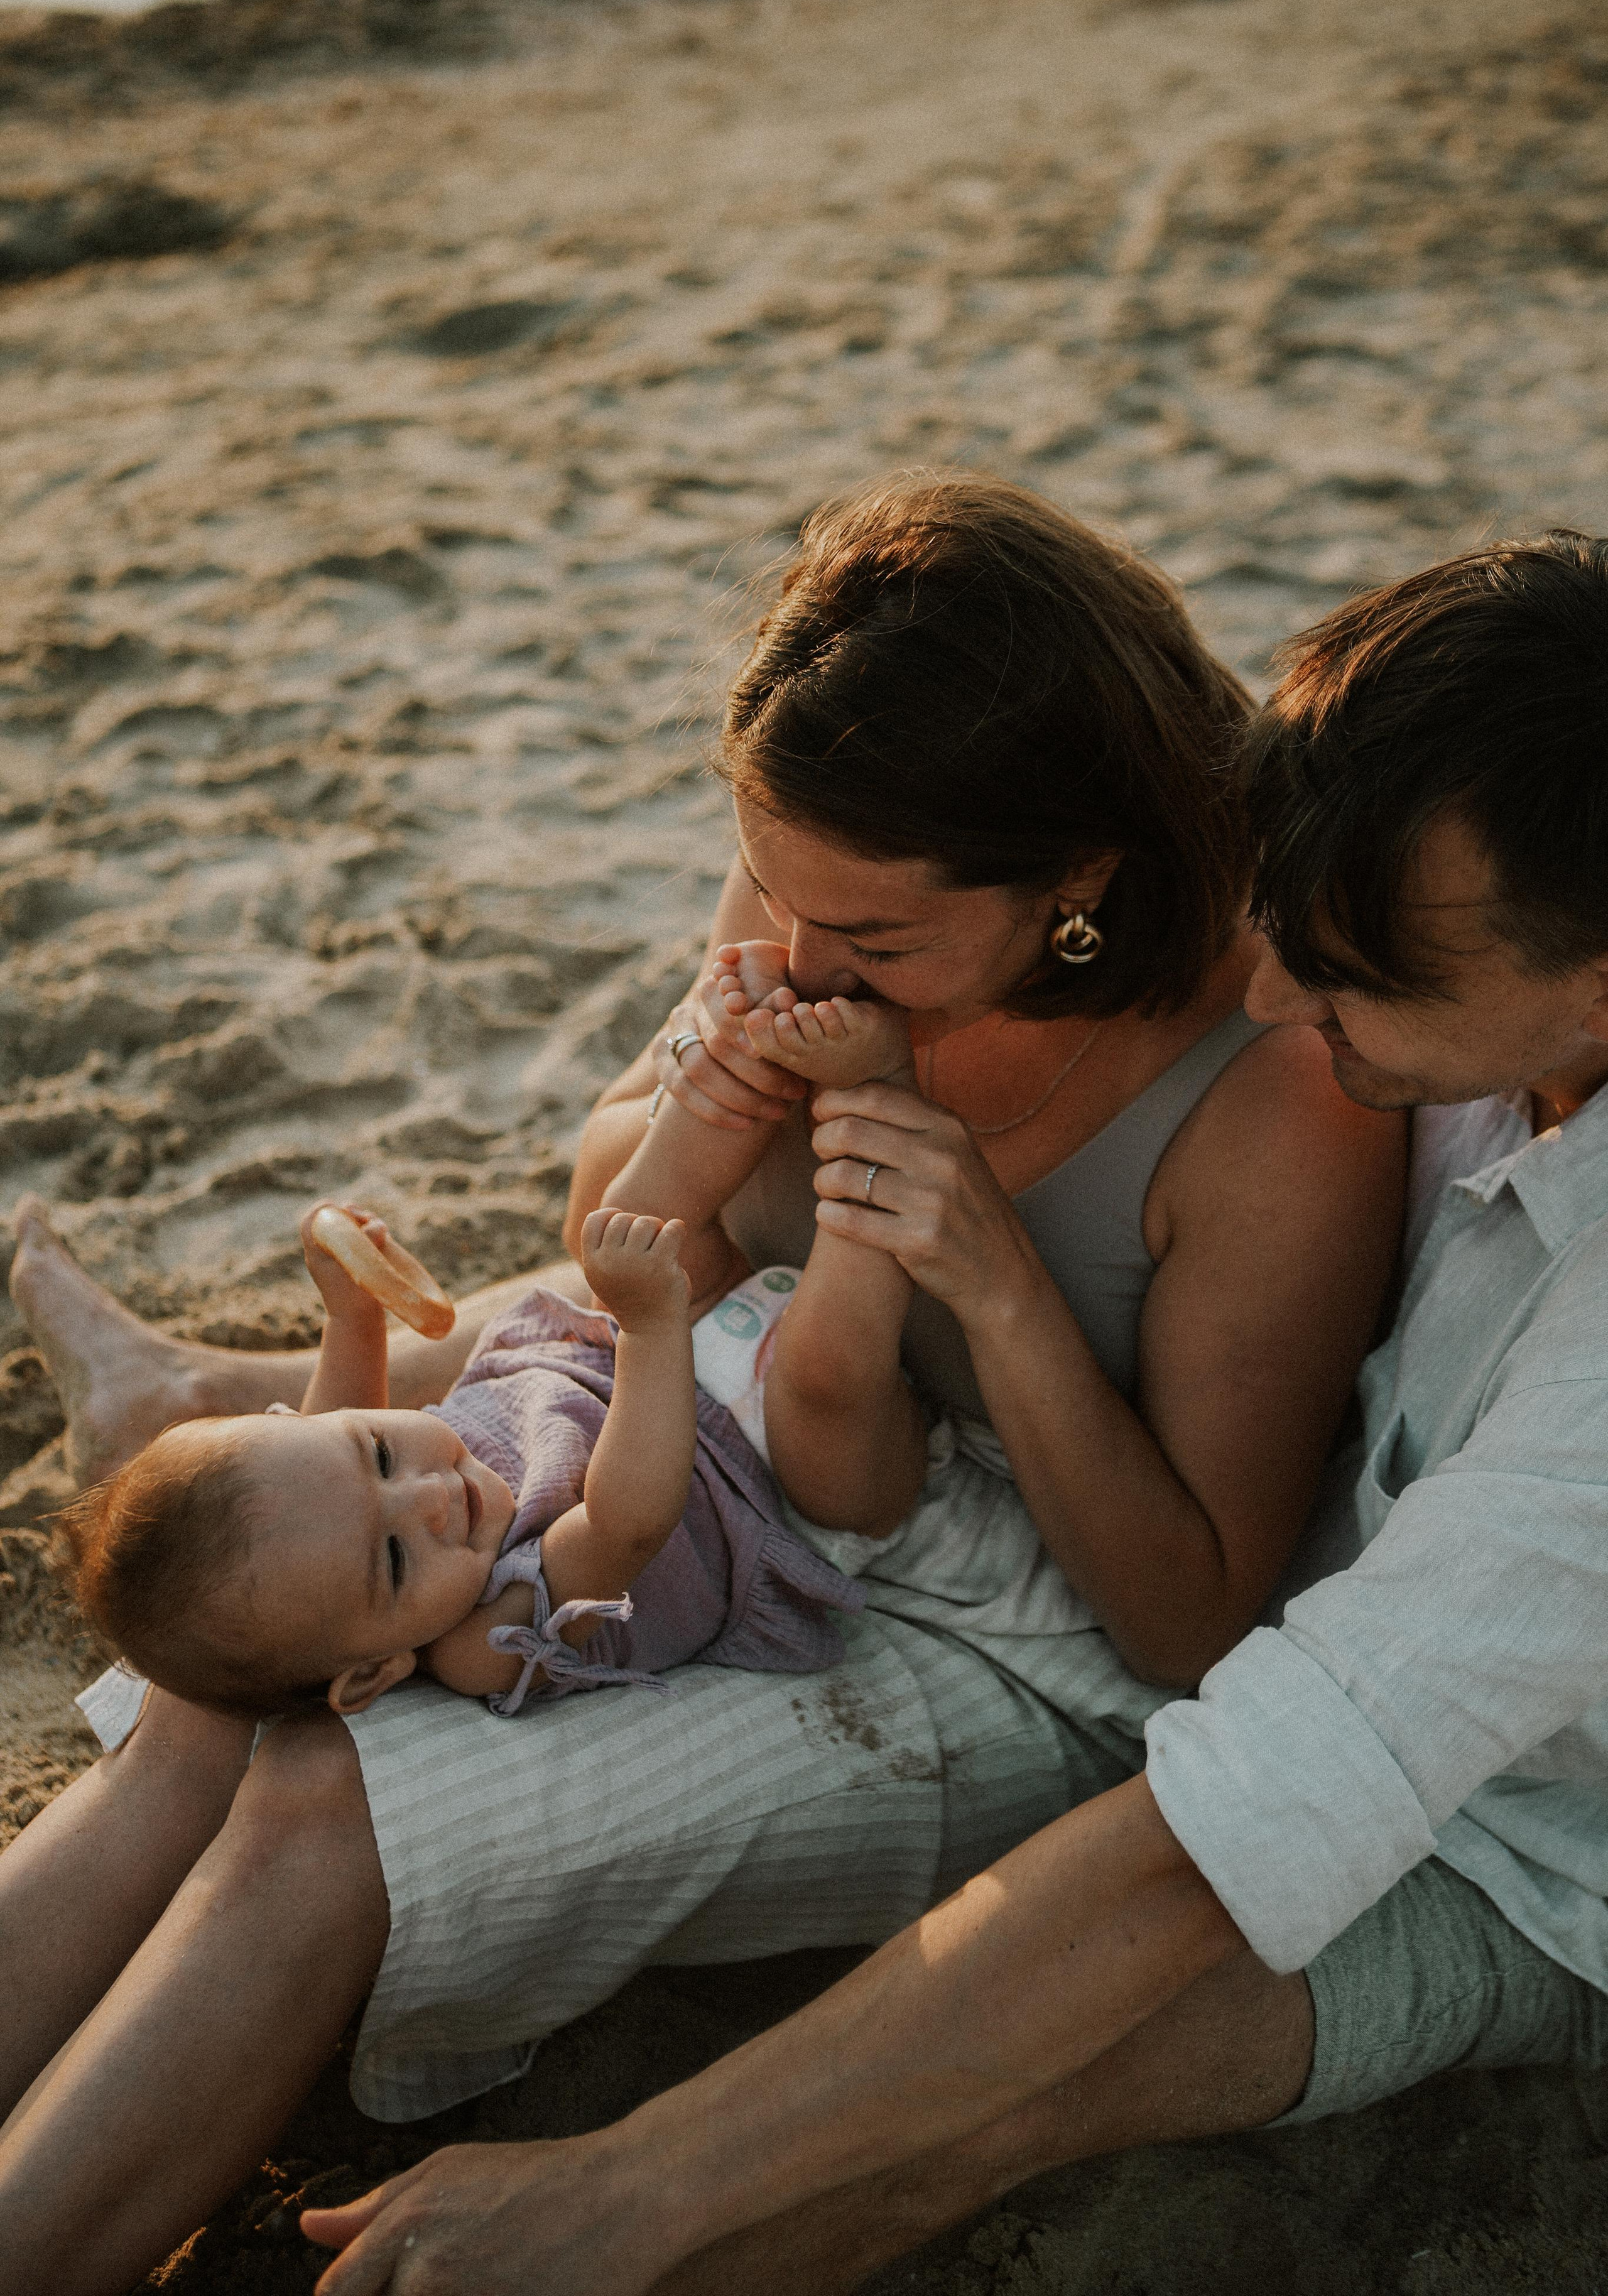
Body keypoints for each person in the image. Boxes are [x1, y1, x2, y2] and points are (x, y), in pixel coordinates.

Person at [0, 475, 1400, 2295]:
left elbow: (1192, 1620)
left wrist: (993, 1277)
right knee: (240, 1679)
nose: (804, 963)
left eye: (874, 945)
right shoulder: (830, 860)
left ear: (1082, 883)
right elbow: (622, 1224)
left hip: (1004, 1631)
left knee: (327, 1804)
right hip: (716, 1438)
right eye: (781, 901)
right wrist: (710, 1104)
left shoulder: (1270, 1089)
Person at [288, 526, 1608, 2296]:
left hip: (1539, 1867)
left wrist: (625, 2181)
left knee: (981, 2115)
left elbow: (1237, 1811)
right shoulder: (1469, 982)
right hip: (1275, 1653)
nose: (1284, 996)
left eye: (1358, 966)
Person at [62, 1198, 867, 1724]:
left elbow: (334, 1422)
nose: (427, 1499)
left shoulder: (331, 1509)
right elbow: (628, 1523)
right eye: (393, 1556)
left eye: (378, 1453)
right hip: (764, 1470)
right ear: (371, 1673)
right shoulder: (482, 1640)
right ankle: (864, 1186)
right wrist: (653, 1327)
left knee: (651, 1186)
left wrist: (352, 1313)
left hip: (664, 1368)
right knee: (838, 1353)